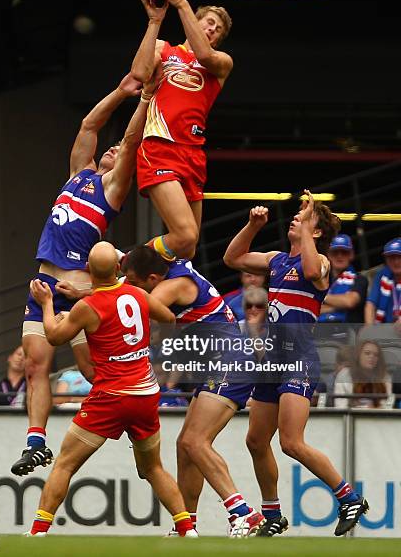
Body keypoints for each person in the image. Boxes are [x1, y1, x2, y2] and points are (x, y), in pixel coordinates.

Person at [12, 72, 158, 476]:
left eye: (115, 151)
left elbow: (129, 142)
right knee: (33, 364)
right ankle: (36, 442)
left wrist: (145, 99)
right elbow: (88, 126)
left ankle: (135, 425)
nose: (109, 149)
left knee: (95, 372)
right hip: (43, 284)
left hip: (77, 291)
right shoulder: (78, 176)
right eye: (105, 150)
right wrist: (120, 91)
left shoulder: (112, 188)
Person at [24, 241, 197, 537]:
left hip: (111, 397)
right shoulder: (138, 294)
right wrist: (149, 342)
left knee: (65, 463)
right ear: (118, 269)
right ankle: (186, 529)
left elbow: (52, 336)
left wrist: (47, 303)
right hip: (145, 394)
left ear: (88, 270)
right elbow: (169, 318)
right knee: (153, 469)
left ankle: (38, 531)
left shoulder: (86, 307)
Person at [223, 190, 369, 537]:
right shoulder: (276, 259)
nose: (295, 218)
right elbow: (233, 258)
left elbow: (308, 267)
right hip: (270, 360)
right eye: (296, 216)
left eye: (304, 219)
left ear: (316, 233)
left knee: (291, 442)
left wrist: (308, 219)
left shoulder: (320, 264)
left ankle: (349, 497)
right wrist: (251, 225)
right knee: (256, 441)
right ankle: (272, 515)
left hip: (298, 360)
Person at [123, 246, 265, 537]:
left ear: (152, 277)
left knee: (195, 441)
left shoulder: (175, 285)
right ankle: (186, 525)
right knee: (185, 445)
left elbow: (134, 304)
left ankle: (244, 513)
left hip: (230, 363)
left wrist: (87, 295)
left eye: (135, 282)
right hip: (218, 366)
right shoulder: (169, 266)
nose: (132, 287)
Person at [131, 0, 233, 260]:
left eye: (219, 29)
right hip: (161, 145)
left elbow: (203, 53)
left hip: (194, 153)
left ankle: (144, 283)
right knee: (185, 234)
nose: (213, 29)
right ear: (196, 21)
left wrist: (181, 2)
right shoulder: (165, 50)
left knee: (187, 248)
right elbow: (139, 73)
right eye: (209, 22)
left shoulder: (221, 63)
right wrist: (154, 21)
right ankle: (125, 261)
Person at [318, 234, 368, 327]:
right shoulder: (321, 279)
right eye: (335, 252)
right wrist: (339, 304)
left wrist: (321, 296)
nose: (339, 256)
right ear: (328, 255)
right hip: (320, 329)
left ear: (351, 255)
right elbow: (313, 309)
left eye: (344, 252)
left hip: (347, 331)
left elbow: (349, 302)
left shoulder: (360, 279)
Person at [333, 340, 392, 409]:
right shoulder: (344, 374)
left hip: (378, 418)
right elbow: (340, 406)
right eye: (367, 353)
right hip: (350, 418)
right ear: (358, 355)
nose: (372, 357)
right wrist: (367, 407)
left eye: (376, 355)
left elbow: (386, 405)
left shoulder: (385, 377)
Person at [365, 237, 401, 328]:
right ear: (386, 259)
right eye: (392, 257)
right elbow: (370, 304)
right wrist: (369, 327)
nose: (396, 262)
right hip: (387, 330)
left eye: (400, 257)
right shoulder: (382, 276)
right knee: (366, 339)